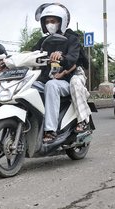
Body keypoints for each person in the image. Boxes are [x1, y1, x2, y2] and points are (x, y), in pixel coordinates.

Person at [32, 3, 86, 142]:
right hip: (51, 78)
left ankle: (50, 130)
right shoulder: (43, 41)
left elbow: (73, 60)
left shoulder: (72, 38)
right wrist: (9, 63)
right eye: (47, 22)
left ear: (61, 22)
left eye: (53, 21)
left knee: (52, 85)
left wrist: (62, 58)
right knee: (29, 86)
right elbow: (31, 55)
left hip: (70, 78)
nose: (50, 24)